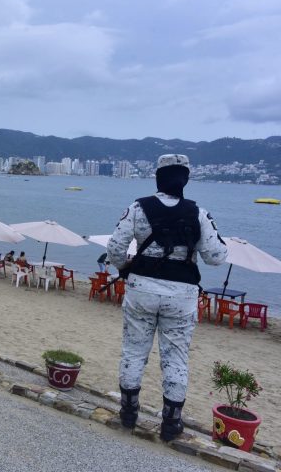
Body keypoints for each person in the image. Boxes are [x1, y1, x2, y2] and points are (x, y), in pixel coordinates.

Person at [107, 154, 227, 442]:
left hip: (141, 289)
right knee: (176, 358)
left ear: (158, 178)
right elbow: (216, 257)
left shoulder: (138, 207)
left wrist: (125, 267)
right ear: (184, 179)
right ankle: (171, 423)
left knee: (134, 351)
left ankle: (129, 412)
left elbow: (114, 248)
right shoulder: (198, 213)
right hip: (181, 294)